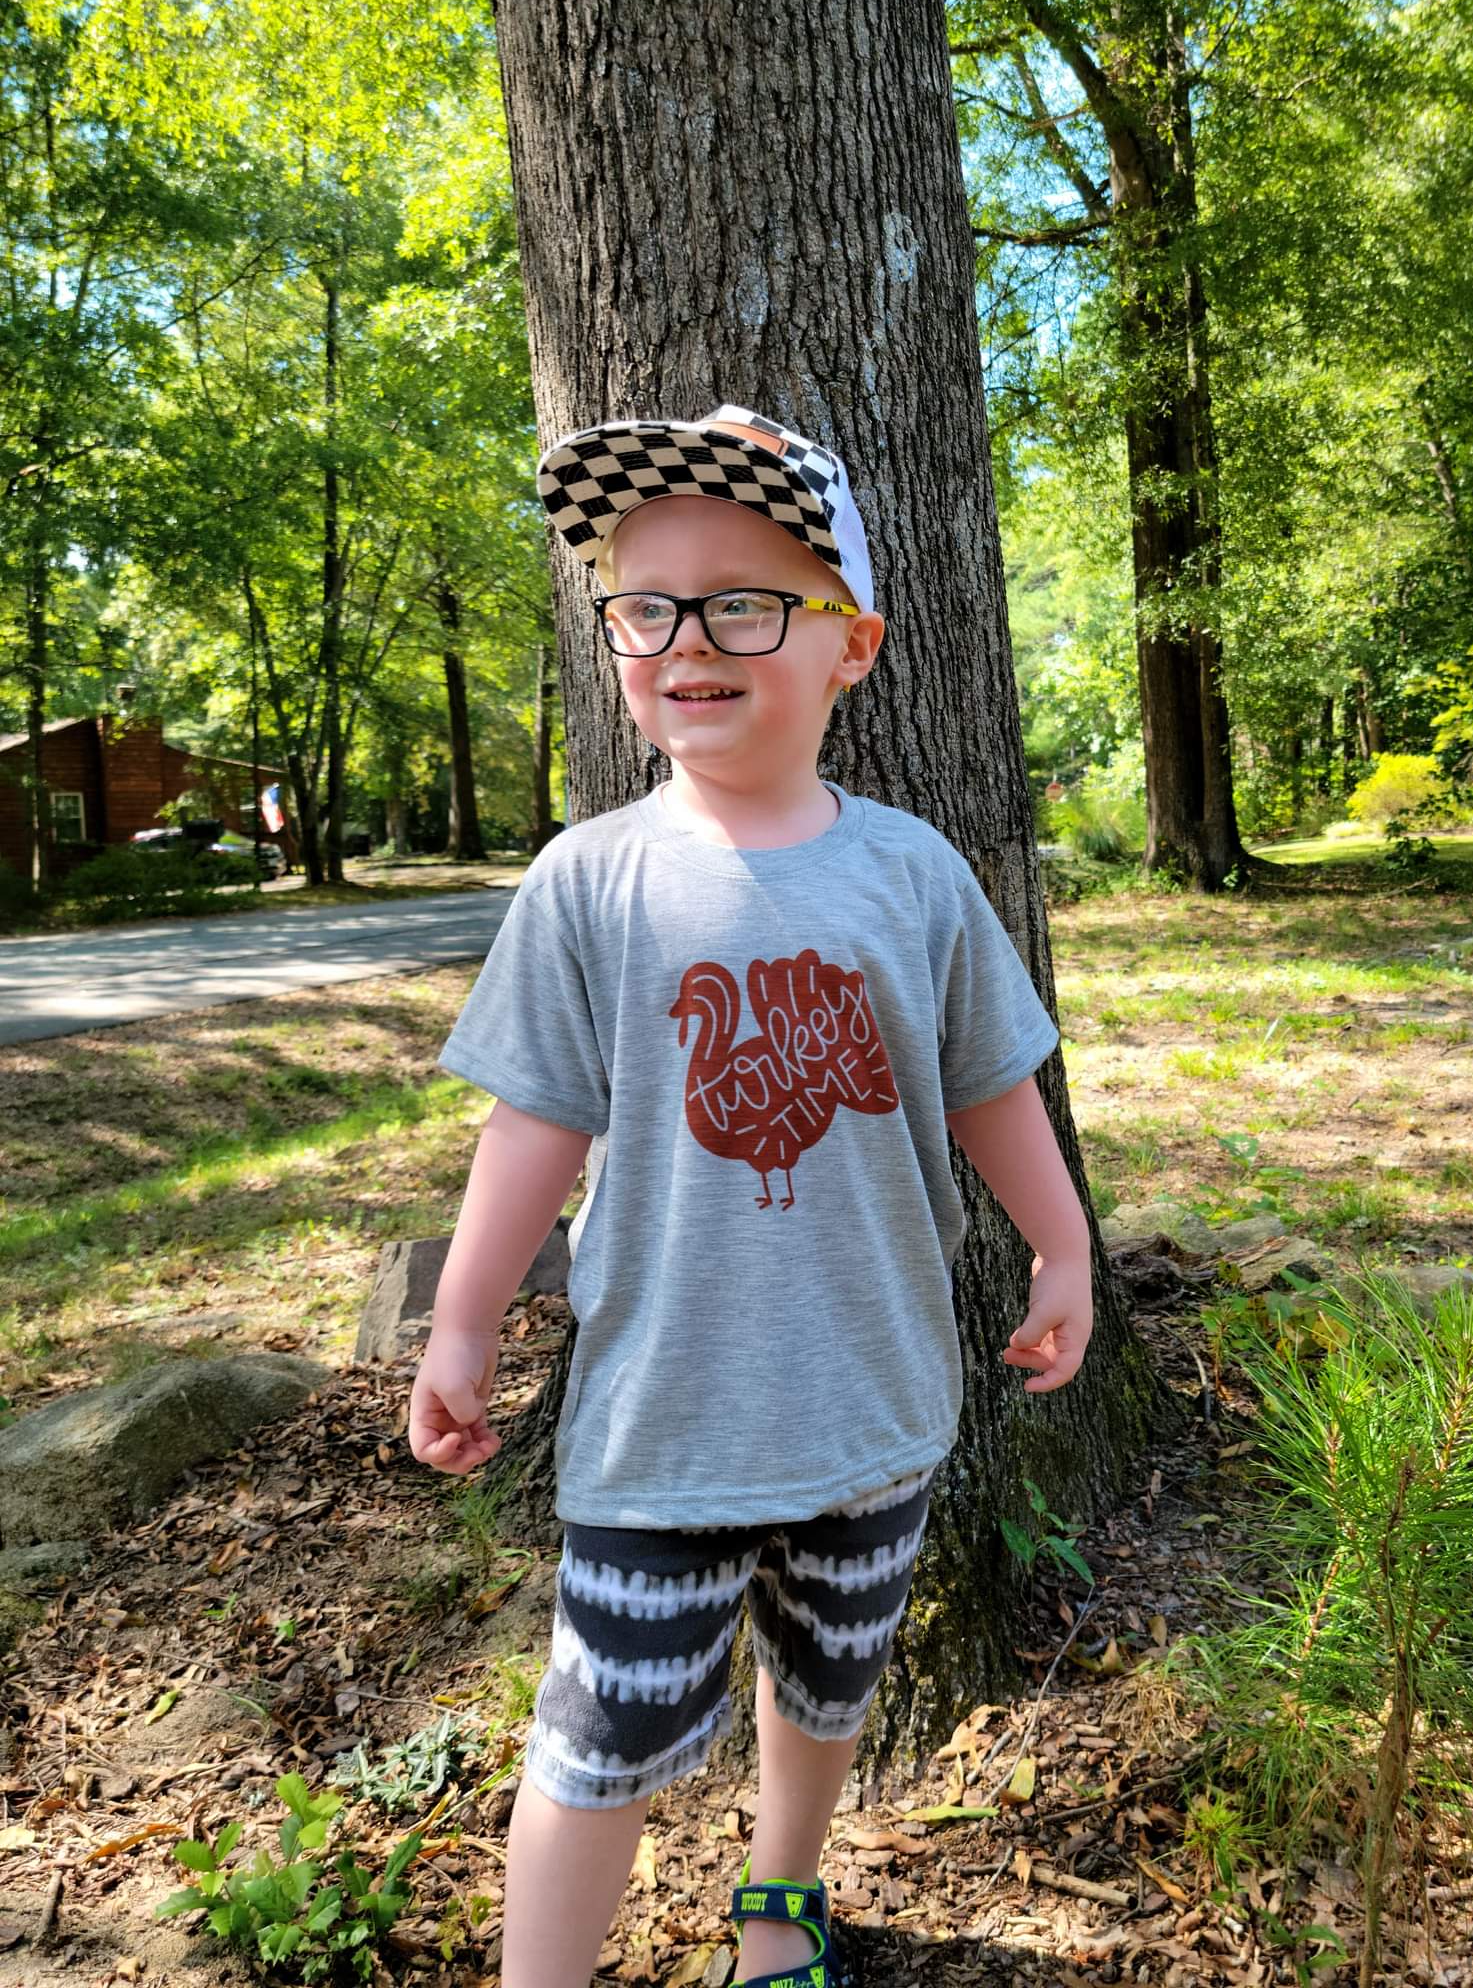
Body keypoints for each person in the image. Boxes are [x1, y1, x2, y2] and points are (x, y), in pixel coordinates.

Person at [407, 404, 1094, 1988]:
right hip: (661, 1424)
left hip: (870, 1397)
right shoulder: (589, 877)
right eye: (645, 608)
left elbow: (993, 1080)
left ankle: (780, 1901)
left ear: (851, 644)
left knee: (830, 1683)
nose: (686, 641)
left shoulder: (915, 872)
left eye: (744, 601)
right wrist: (460, 1327)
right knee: (597, 1736)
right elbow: (531, 1129)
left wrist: (1060, 1246)